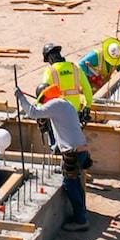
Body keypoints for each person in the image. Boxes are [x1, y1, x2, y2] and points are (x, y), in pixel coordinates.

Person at [20, 86, 91, 227]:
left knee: (70, 184)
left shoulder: (55, 104)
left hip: (74, 151)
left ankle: (81, 220)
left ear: (46, 97)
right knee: (75, 182)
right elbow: (65, 128)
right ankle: (82, 214)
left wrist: (21, 97)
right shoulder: (65, 104)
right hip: (79, 149)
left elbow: (33, 113)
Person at [35, 43, 91, 117]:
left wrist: (38, 108)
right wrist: (88, 106)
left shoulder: (50, 71)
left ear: (50, 58)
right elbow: (87, 88)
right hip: (75, 111)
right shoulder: (75, 67)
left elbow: (43, 93)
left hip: (59, 112)